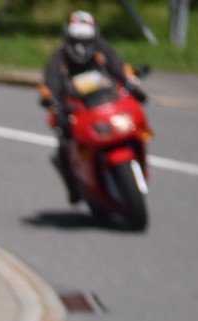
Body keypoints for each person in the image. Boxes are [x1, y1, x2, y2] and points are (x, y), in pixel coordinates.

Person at [41, 11, 146, 198]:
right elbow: (52, 82)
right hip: (77, 108)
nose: (81, 48)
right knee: (65, 144)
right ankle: (74, 186)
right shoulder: (59, 56)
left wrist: (133, 86)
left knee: (134, 122)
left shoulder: (102, 48)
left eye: (86, 40)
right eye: (76, 40)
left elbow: (118, 68)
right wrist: (56, 105)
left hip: (106, 101)